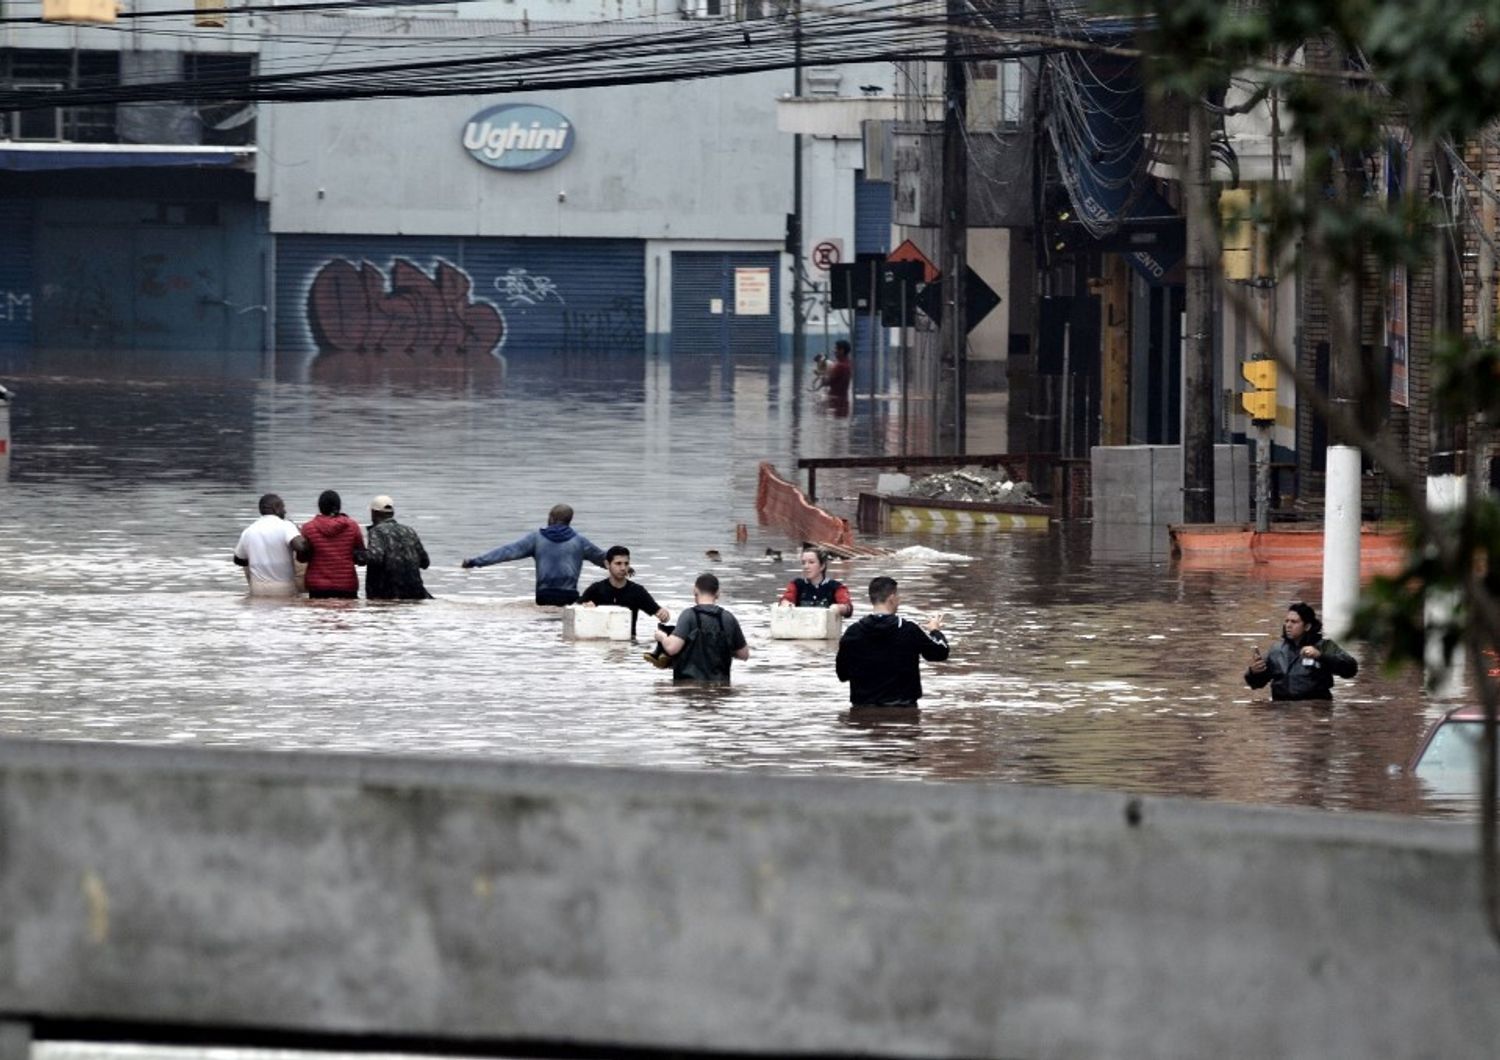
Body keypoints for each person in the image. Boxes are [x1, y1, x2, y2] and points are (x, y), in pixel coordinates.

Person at [461, 503, 606, 606]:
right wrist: (625, 567)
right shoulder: (580, 542)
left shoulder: (536, 539)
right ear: (569, 520)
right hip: (569, 596)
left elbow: (506, 552)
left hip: (544, 596)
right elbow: (604, 559)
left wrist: (474, 562)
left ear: (551, 518)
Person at [835, 576, 949, 707]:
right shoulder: (909, 630)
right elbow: (940, 652)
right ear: (891, 598)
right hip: (904, 713)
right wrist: (935, 630)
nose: (899, 600)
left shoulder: (853, 633)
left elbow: (842, 674)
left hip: (863, 713)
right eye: (898, 596)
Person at [1245, 601, 1359, 701]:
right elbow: (1256, 684)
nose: (1288, 625)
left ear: (1307, 626)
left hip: (1315, 710)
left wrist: (1321, 656)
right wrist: (1254, 672)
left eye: (1294, 622)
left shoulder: (1324, 645)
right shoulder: (1276, 650)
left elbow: (1350, 669)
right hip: (1282, 711)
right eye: (1287, 621)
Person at [652, 572, 750, 684]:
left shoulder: (688, 615)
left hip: (689, 688)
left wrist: (662, 637)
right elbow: (744, 655)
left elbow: (672, 648)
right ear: (717, 593)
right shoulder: (728, 618)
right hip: (720, 691)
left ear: (695, 591)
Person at [580, 545, 670, 637]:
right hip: (600, 642)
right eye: (618, 563)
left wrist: (664, 615)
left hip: (628, 643)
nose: (623, 568)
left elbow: (662, 615)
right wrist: (584, 609)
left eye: (626, 564)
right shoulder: (595, 589)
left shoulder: (637, 591)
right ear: (607, 564)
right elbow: (571, 614)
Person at [232, 493, 308, 597]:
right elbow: (301, 547)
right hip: (283, 588)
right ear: (276, 508)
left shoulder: (248, 531)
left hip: (257, 590)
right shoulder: (286, 526)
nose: (285, 511)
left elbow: (238, 559)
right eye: (283, 507)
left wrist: (256, 559)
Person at [300, 489, 366, 600]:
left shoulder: (308, 528)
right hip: (346, 585)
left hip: (318, 587)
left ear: (320, 507)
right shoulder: (352, 526)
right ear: (339, 506)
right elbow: (361, 555)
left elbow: (302, 558)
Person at [364, 494, 432, 600]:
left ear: (373, 513)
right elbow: (425, 562)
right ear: (393, 513)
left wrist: (357, 555)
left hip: (387, 594)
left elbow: (375, 558)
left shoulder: (376, 531)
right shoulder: (409, 531)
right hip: (416, 592)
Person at [776, 546, 854, 617]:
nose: (806, 567)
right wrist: (786, 604)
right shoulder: (796, 584)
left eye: (811, 562)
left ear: (822, 566)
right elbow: (787, 598)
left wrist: (839, 608)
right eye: (803, 563)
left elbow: (848, 607)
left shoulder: (836, 587)